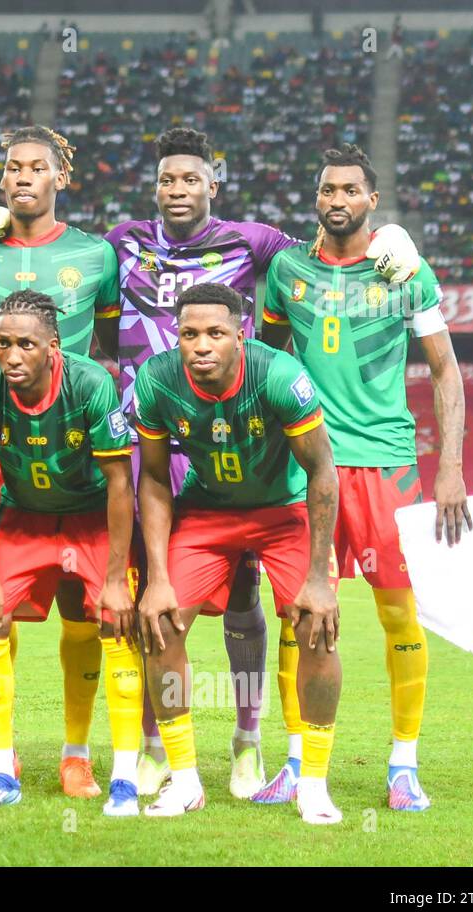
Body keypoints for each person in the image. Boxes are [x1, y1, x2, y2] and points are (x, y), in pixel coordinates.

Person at [105, 126, 422, 798]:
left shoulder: (257, 244)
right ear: (154, 186)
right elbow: (72, 293)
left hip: (246, 443)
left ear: (212, 184)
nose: (178, 190)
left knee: (253, 597)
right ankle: (155, 748)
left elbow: (330, 246)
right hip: (153, 438)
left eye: (191, 178)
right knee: (150, 601)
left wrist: (395, 239)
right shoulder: (119, 242)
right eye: (167, 179)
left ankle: (251, 739)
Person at [260, 143, 470, 812]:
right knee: (301, 616)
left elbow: (446, 371)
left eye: (351, 190)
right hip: (305, 465)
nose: (337, 199)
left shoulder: (405, 270)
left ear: (371, 201)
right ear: (316, 197)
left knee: (397, 612)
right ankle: (297, 762)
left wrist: (451, 471)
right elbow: (265, 364)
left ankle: (403, 764)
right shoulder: (286, 271)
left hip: (387, 464)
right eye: (327, 189)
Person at [0, 126, 123, 799]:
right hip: (0, 460)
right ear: (2, 181)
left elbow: (108, 341)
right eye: (12, 168)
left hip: (78, 452)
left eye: (37, 167)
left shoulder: (97, 255)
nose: (23, 177)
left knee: (87, 619)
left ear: (62, 177)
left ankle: (76, 756)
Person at [134, 282, 343, 824]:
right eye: (189, 334)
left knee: (316, 624)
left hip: (284, 510)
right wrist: (157, 576)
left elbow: (322, 469)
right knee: (159, 620)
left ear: (240, 335)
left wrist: (320, 576)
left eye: (215, 333)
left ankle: (314, 784)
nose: (201, 345)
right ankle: (183, 781)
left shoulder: (278, 375)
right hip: (208, 511)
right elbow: (154, 479)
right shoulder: (156, 380)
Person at [0, 290, 140, 813]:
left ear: (53, 346)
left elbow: (119, 483)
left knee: (113, 620)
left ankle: (105, 768)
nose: (12, 356)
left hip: (89, 517)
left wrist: (113, 578)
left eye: (26, 345)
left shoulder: (91, 383)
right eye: (3, 344)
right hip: (22, 515)